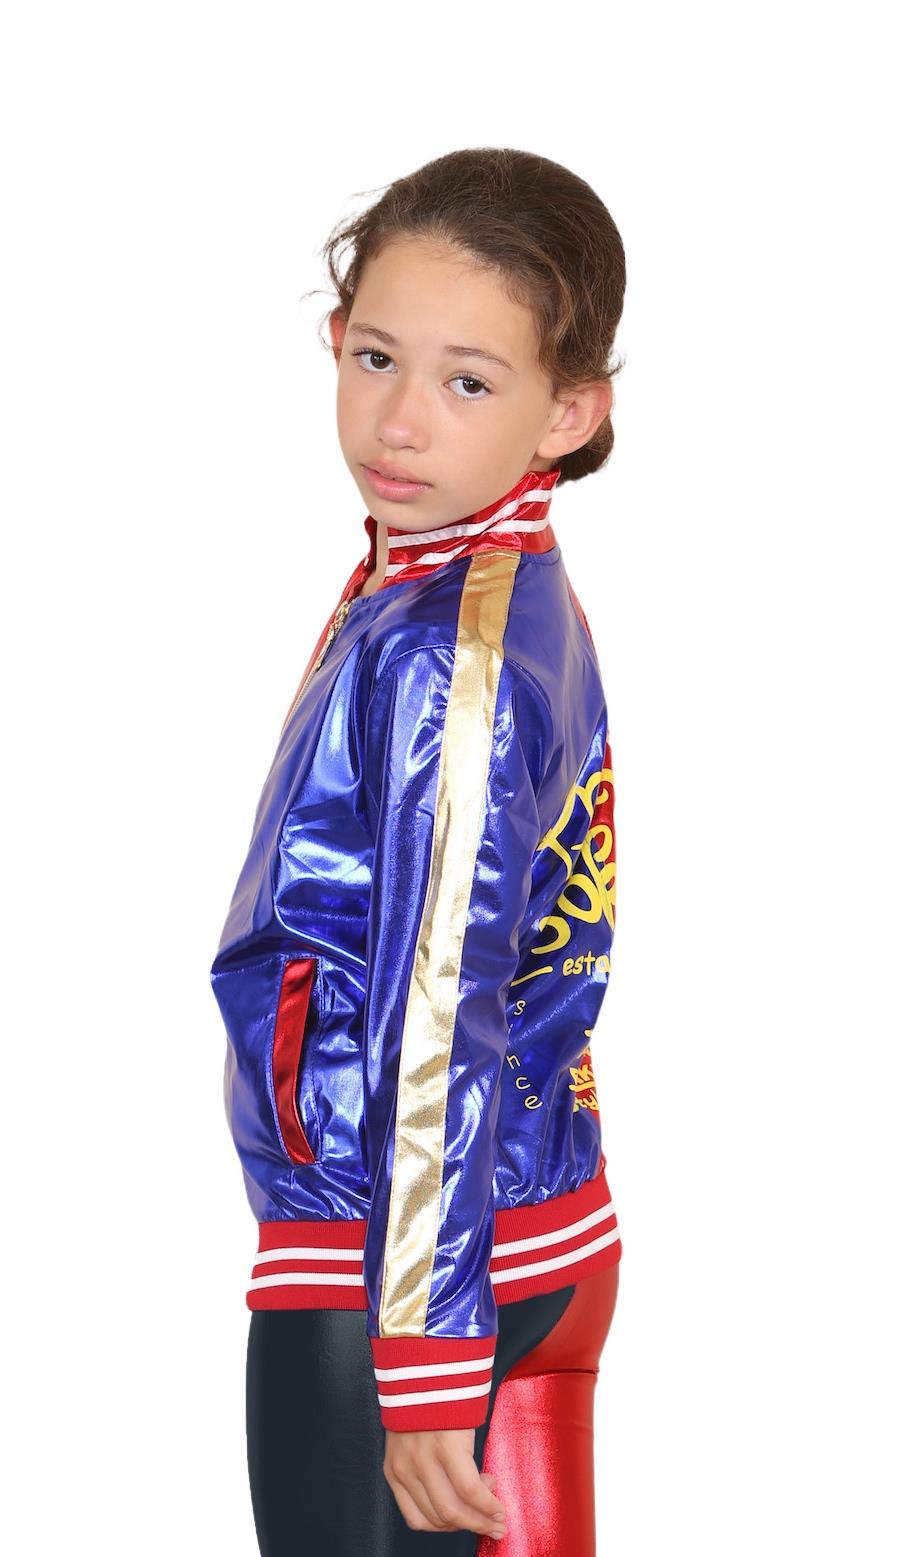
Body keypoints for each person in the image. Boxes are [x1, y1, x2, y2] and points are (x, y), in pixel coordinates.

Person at [209, 146, 627, 1555]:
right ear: (334, 336)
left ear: (567, 412)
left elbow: (440, 1011)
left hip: (398, 1267)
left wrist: (430, 1355)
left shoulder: (452, 648)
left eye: (469, 383)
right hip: (536, 1224)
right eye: (377, 357)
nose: (398, 421)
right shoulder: (475, 576)